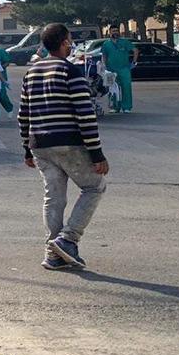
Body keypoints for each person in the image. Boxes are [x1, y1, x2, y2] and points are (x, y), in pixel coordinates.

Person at [19, 23, 109, 271]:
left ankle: (53, 253)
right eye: (69, 40)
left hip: (40, 145)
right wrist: (97, 153)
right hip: (68, 143)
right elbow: (85, 115)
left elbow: (23, 115)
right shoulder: (71, 72)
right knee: (95, 186)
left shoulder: (32, 73)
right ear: (64, 43)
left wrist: (27, 149)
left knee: (54, 197)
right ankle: (68, 239)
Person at [102, 26, 138, 113]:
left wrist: (134, 62)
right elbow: (104, 56)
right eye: (113, 31)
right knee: (112, 89)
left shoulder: (124, 42)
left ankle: (126, 107)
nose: (115, 32)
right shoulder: (106, 44)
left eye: (117, 31)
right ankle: (114, 107)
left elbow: (135, 50)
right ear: (110, 32)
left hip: (124, 69)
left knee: (126, 87)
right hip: (110, 69)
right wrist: (104, 67)